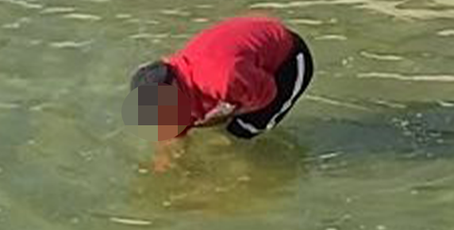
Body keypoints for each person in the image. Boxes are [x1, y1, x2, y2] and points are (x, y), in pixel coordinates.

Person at [126, 16, 314, 168]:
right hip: (240, 60)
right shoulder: (176, 72)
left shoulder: (223, 79)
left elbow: (268, 93)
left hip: (287, 62)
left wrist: (223, 115)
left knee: (243, 131)